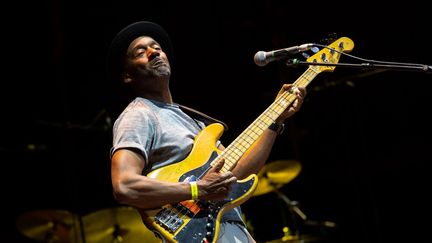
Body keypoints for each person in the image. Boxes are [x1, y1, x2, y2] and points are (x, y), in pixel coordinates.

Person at [107, 21, 306, 243]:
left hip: (227, 228)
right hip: (198, 233)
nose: (154, 52)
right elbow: (124, 185)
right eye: (140, 52)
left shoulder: (195, 123)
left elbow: (237, 174)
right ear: (127, 75)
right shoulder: (139, 114)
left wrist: (276, 120)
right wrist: (196, 189)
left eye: (157, 47)